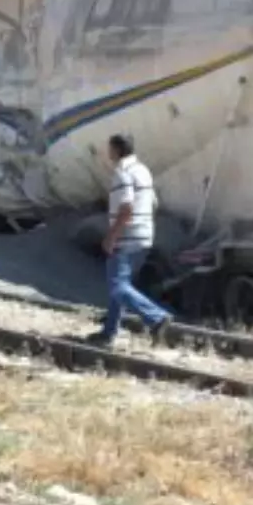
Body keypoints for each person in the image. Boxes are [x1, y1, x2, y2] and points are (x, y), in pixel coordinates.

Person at [85, 134, 172, 347]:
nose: (108, 153)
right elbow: (153, 203)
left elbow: (126, 208)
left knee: (117, 286)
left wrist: (112, 236)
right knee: (121, 286)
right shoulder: (143, 171)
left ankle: (157, 318)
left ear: (116, 150)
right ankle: (108, 332)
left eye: (109, 149)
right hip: (143, 236)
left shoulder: (122, 173)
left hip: (127, 237)